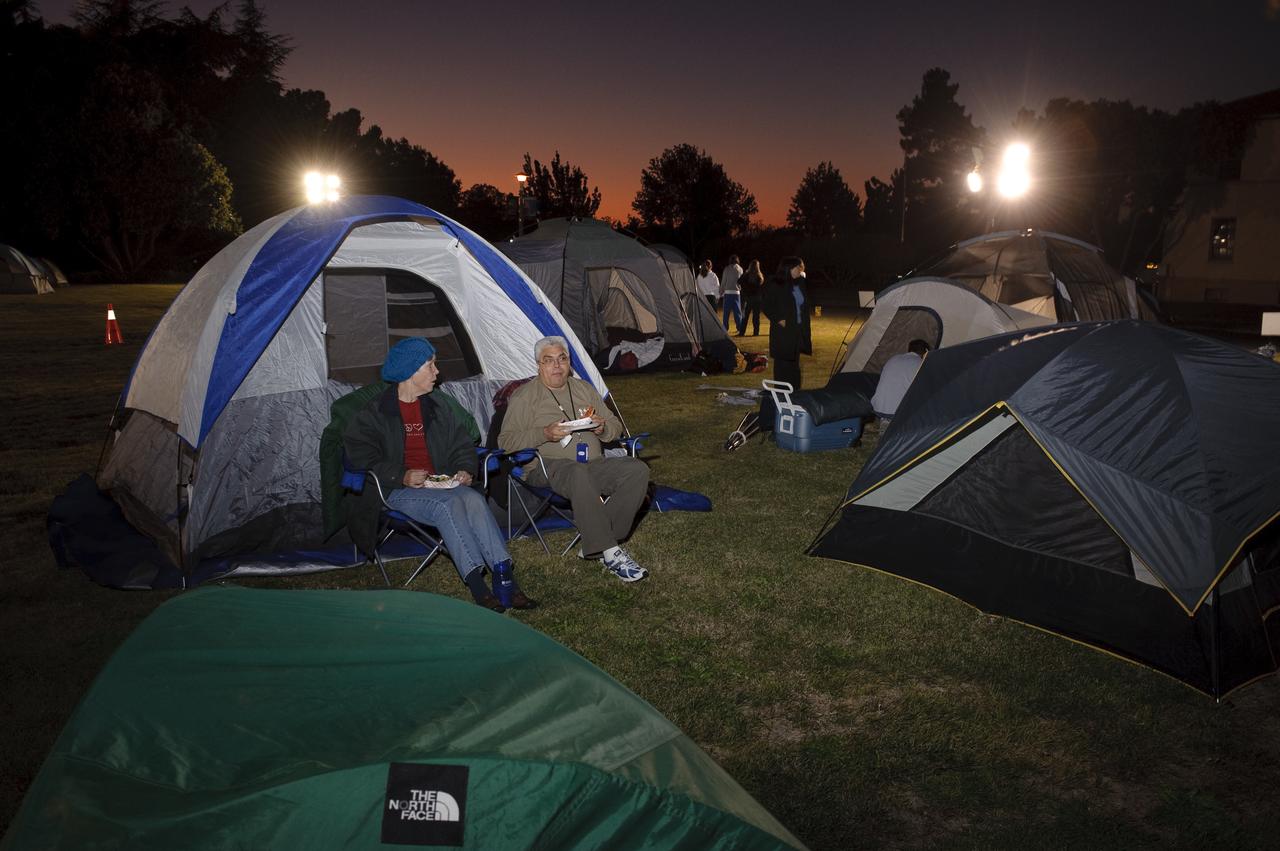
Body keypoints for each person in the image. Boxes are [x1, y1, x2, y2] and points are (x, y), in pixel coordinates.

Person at [342, 338, 535, 612]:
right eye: (430, 365)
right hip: (395, 491)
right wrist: (401, 475)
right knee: (450, 505)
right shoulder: (375, 413)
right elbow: (359, 455)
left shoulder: (437, 407)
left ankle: (505, 579)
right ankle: (479, 587)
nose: (437, 372)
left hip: (441, 485)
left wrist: (466, 470)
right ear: (410, 371)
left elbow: (462, 445)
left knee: (473, 499)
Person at [498, 336, 651, 582]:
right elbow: (505, 442)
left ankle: (596, 540)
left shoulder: (584, 389)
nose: (557, 366)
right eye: (549, 361)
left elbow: (615, 426)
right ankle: (610, 552)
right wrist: (544, 433)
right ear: (538, 365)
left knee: (637, 469)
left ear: (569, 362)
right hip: (547, 468)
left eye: (562, 359)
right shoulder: (524, 397)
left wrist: (602, 430)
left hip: (593, 464)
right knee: (577, 473)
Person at [762, 256, 812, 389]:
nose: (801, 270)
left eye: (802, 268)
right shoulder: (776, 283)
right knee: (783, 364)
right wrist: (778, 318)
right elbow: (766, 305)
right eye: (798, 267)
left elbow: (803, 305)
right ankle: (782, 394)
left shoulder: (799, 283)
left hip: (797, 331)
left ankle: (794, 392)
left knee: (794, 365)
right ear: (789, 268)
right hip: (783, 332)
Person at [870, 339, 930, 422]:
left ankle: (886, 428)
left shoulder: (893, 359)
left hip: (879, 407)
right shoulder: (920, 363)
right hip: (897, 412)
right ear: (925, 352)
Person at [738, 259, 765, 336]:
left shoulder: (746, 275)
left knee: (745, 317)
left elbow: (739, 281)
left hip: (748, 298)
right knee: (756, 317)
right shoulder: (759, 276)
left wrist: (744, 290)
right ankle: (756, 332)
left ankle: (742, 332)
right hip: (757, 299)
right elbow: (761, 287)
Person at [720, 255, 744, 335]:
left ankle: (725, 329)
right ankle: (740, 328)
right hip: (737, 293)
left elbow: (724, 281)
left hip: (728, 292)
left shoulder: (727, 269)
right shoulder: (740, 269)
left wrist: (721, 291)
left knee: (726, 312)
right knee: (737, 312)